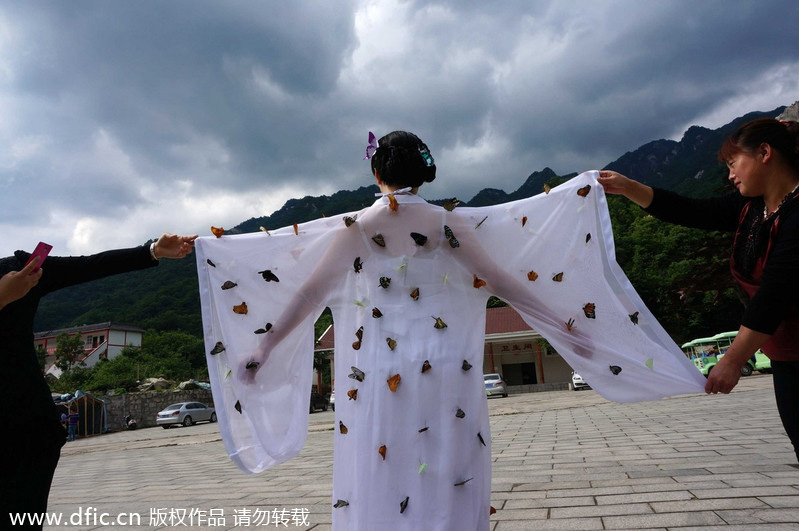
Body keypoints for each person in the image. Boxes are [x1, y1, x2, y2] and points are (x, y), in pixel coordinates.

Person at [196, 131, 706, 530]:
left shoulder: (356, 229)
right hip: (445, 367)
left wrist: (262, 346)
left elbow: (307, 296)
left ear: (376, 172)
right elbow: (509, 284)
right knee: (448, 465)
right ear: (424, 173)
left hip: (376, 371)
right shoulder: (449, 225)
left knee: (380, 466)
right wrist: (572, 331)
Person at [598, 117, 799, 463]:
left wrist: (733, 360)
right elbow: (690, 210)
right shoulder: (750, 208)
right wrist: (629, 186)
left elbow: (773, 295)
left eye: (733, 164)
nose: (730, 175)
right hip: (786, 356)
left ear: (765, 153)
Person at [0, 232, 197, 529]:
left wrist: (153, 251)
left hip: (26, 433)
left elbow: (89, 265)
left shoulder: (17, 270)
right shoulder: (11, 282)